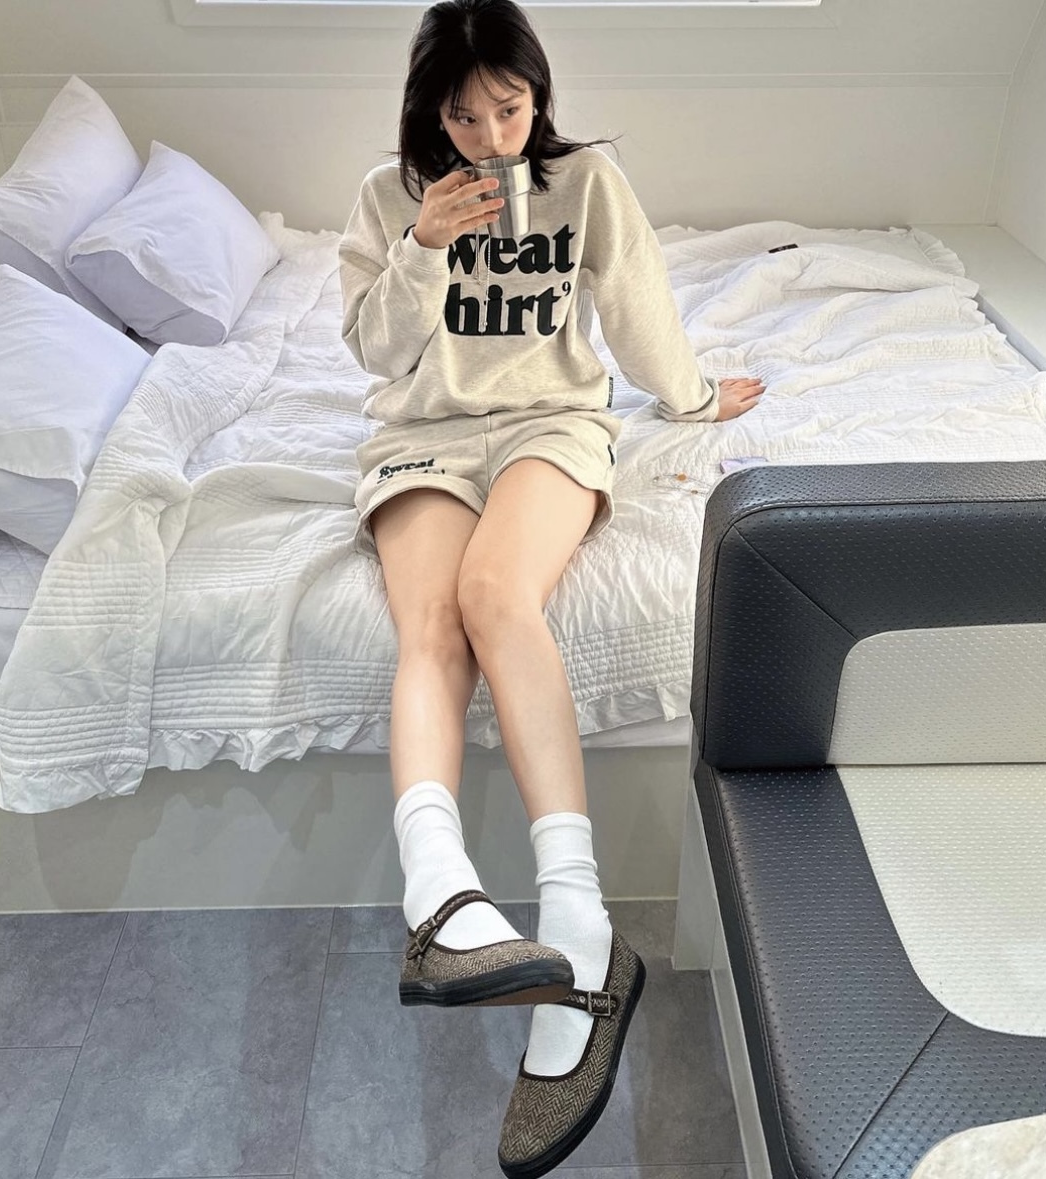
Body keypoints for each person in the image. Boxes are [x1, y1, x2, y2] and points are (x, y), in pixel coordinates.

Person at [338, 1, 763, 1173]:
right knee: (427, 624)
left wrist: (690, 400)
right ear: (430, 112)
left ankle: (577, 915)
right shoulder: (386, 198)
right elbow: (373, 352)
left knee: (496, 597)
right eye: (464, 116)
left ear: (539, 94)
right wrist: (423, 244)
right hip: (422, 436)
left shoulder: (585, 184)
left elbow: (635, 306)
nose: (490, 137)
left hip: (550, 425)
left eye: (510, 109)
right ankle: (441, 903)